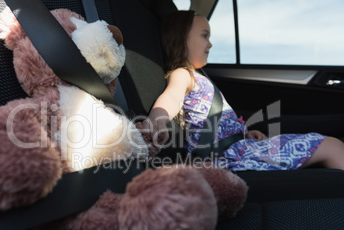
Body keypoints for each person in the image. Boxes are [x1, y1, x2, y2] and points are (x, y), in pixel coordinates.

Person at [142, 10, 344, 171]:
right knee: (332, 146)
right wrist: (156, 121)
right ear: (181, 38)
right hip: (226, 157)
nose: (210, 43)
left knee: (330, 144)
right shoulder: (184, 74)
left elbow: (221, 123)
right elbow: (172, 97)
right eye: (204, 35)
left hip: (240, 147)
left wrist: (245, 134)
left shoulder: (202, 78)